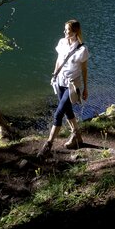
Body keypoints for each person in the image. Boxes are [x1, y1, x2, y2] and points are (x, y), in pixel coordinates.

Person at [39, 19, 89, 157]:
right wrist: (54, 75)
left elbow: (84, 70)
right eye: (65, 29)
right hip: (60, 81)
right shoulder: (61, 43)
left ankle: (48, 144)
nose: (65, 32)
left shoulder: (82, 49)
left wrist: (85, 88)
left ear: (75, 32)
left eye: (67, 30)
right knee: (67, 110)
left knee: (58, 113)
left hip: (72, 85)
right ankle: (77, 137)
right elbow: (59, 60)